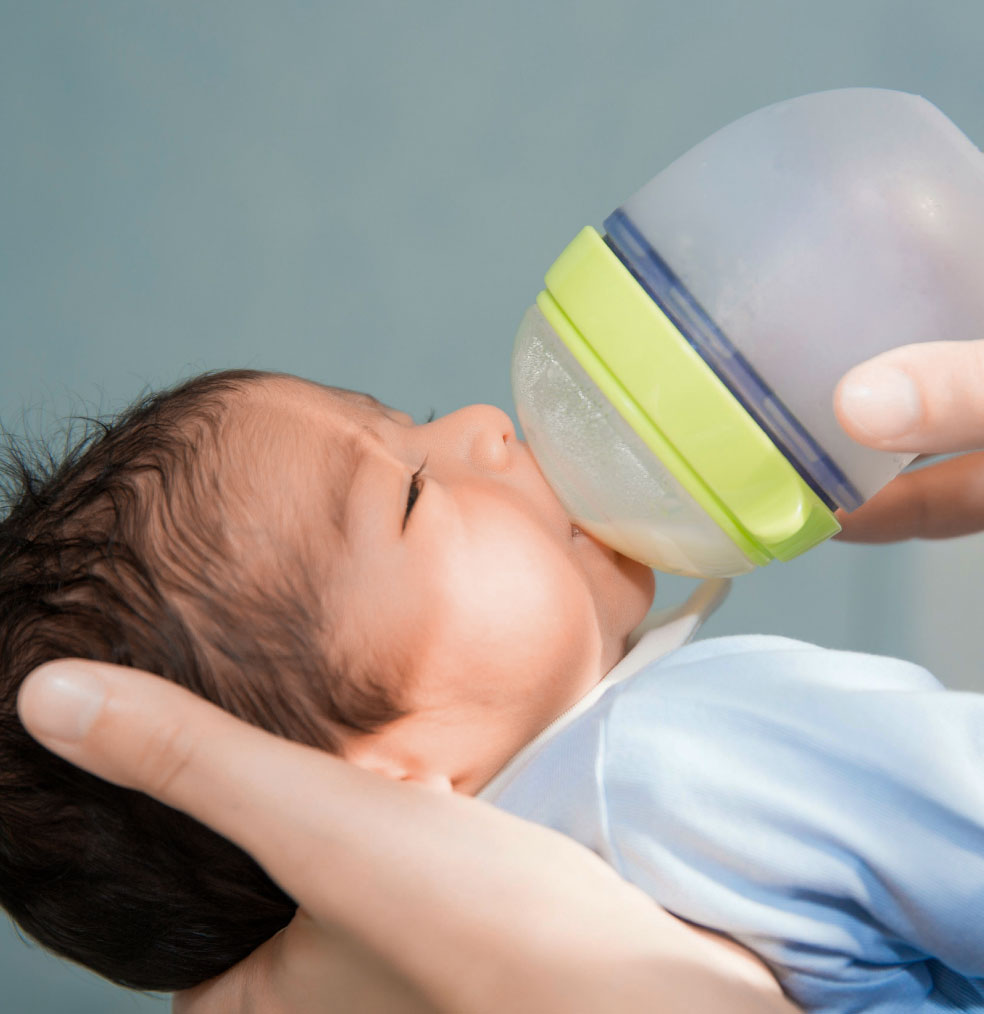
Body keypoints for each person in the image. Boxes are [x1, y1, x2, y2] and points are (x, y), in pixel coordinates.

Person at [6, 337, 983, 1010]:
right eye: (412, 496)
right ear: (361, 787)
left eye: (411, 420)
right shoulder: (674, 756)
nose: (485, 422)